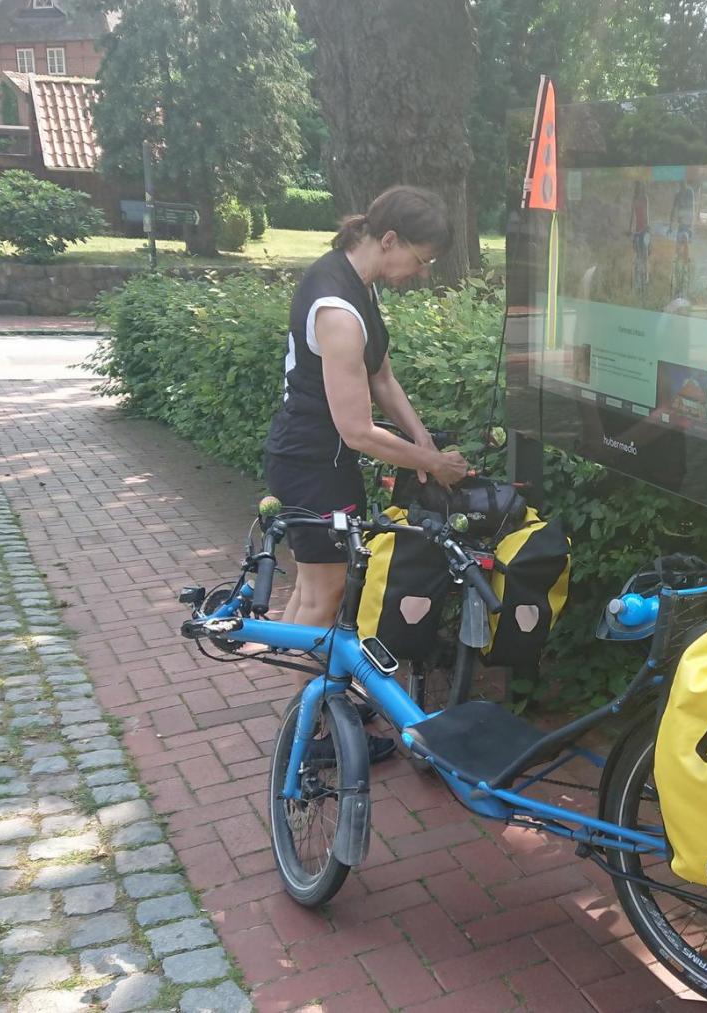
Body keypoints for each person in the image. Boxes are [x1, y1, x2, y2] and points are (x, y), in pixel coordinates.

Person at [262, 186, 470, 759]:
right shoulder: (338, 311)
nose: (421, 273)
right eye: (420, 260)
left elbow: (381, 377)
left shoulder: (355, 280)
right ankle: (309, 735)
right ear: (389, 240)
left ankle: (311, 707)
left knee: (312, 593)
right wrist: (431, 464)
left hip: (316, 461)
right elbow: (356, 430)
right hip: (314, 466)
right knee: (322, 597)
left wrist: (424, 441)